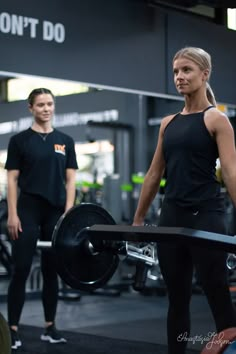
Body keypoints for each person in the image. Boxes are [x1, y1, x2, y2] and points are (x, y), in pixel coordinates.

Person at [132, 47, 236, 354]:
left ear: (205, 74)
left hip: (206, 217)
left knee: (217, 293)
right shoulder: (168, 122)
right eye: (176, 71)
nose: (179, 77)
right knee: (177, 299)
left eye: (187, 70)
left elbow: (230, 174)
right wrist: (138, 220)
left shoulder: (216, 120)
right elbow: (153, 174)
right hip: (172, 218)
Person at [5, 88, 78, 350]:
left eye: (50, 104)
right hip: (27, 210)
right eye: (40, 105)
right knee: (21, 269)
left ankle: (50, 327)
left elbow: (71, 179)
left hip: (55, 211)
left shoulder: (65, 140)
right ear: (30, 108)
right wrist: (12, 214)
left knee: (51, 272)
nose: (46, 109)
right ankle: (12, 329)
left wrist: (69, 211)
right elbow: (11, 180)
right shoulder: (20, 141)